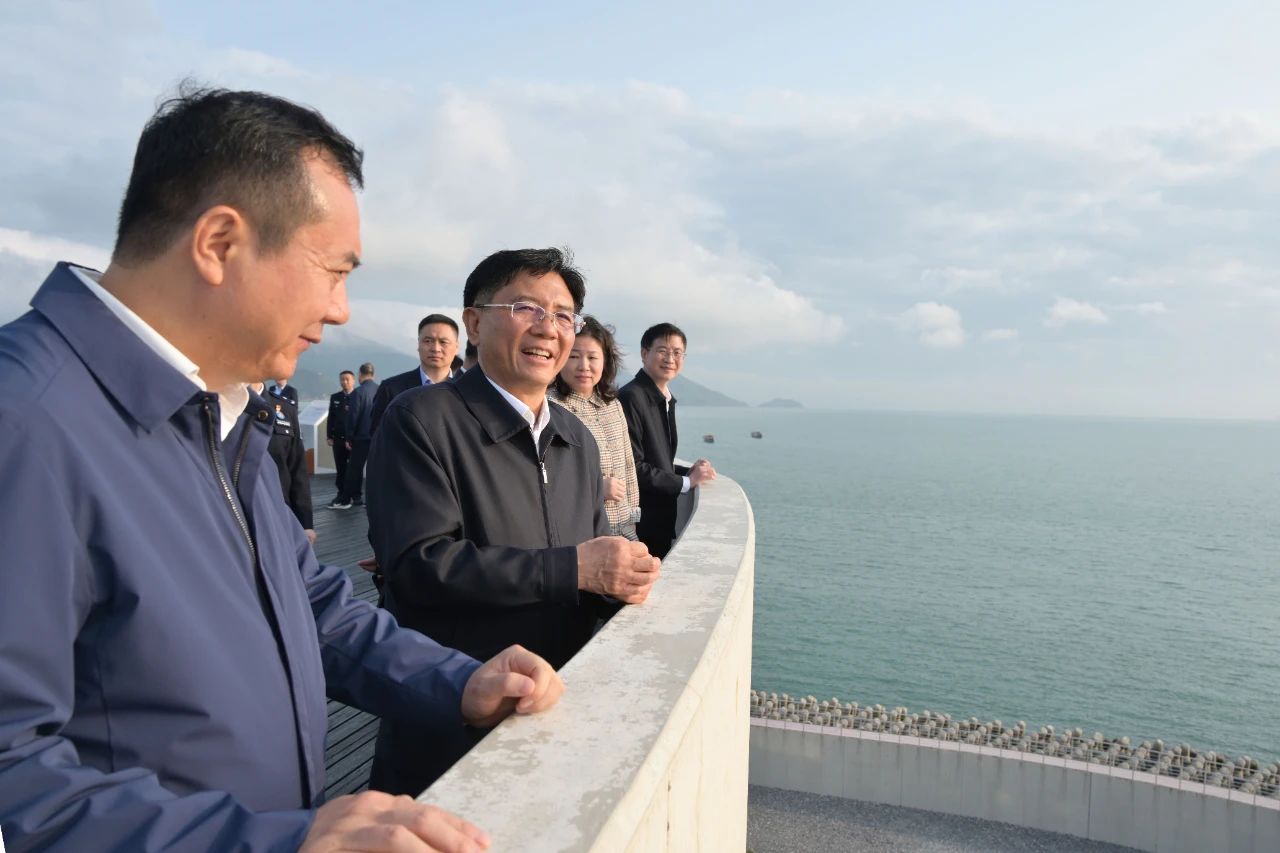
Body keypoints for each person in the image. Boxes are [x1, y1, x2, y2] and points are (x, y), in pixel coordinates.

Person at [0, 85, 565, 853]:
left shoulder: (219, 411)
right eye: (334, 270)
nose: (341, 309)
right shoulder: (26, 421)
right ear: (219, 243)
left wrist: (458, 680)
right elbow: (14, 776)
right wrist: (270, 843)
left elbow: (307, 599)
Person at [365, 247, 662, 796]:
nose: (548, 328)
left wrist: (619, 580)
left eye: (564, 315)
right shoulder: (419, 420)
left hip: (556, 712)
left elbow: (589, 557)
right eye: (526, 308)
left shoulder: (576, 438)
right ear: (475, 323)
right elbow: (417, 568)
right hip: (453, 719)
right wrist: (576, 569)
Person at [618, 322, 716, 558]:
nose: (670, 359)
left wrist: (687, 472)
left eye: (677, 352)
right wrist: (686, 482)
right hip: (638, 523)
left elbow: (658, 459)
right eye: (662, 350)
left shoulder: (664, 398)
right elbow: (632, 467)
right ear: (644, 353)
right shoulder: (631, 397)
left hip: (658, 519)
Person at [549, 316, 641, 540]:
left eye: (592, 357)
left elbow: (628, 466)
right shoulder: (550, 406)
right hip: (583, 535)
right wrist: (598, 488)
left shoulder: (612, 404)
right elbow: (548, 479)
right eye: (574, 356)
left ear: (605, 361)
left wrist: (633, 516)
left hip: (623, 528)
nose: (584, 366)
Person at [370, 313, 459, 435]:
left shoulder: (468, 390)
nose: (435, 348)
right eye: (428, 341)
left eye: (443, 342)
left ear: (456, 347)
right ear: (418, 344)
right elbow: (377, 437)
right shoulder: (391, 389)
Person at [253, 381, 317, 544]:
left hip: (281, 511)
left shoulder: (285, 409)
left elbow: (297, 468)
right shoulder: (219, 408)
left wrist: (305, 523)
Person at [337, 361, 377, 508]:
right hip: (376, 437)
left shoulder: (358, 392)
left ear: (360, 374)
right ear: (373, 374)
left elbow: (353, 416)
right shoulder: (380, 390)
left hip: (360, 438)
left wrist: (349, 437)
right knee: (374, 470)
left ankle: (347, 499)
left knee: (354, 470)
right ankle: (372, 500)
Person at [326, 369, 355, 507]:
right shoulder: (335, 397)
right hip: (338, 439)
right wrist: (329, 436)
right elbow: (331, 418)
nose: (344, 382)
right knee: (340, 467)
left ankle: (354, 494)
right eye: (342, 379)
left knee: (353, 468)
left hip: (353, 439)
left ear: (353, 381)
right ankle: (341, 493)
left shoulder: (358, 396)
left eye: (347, 379)